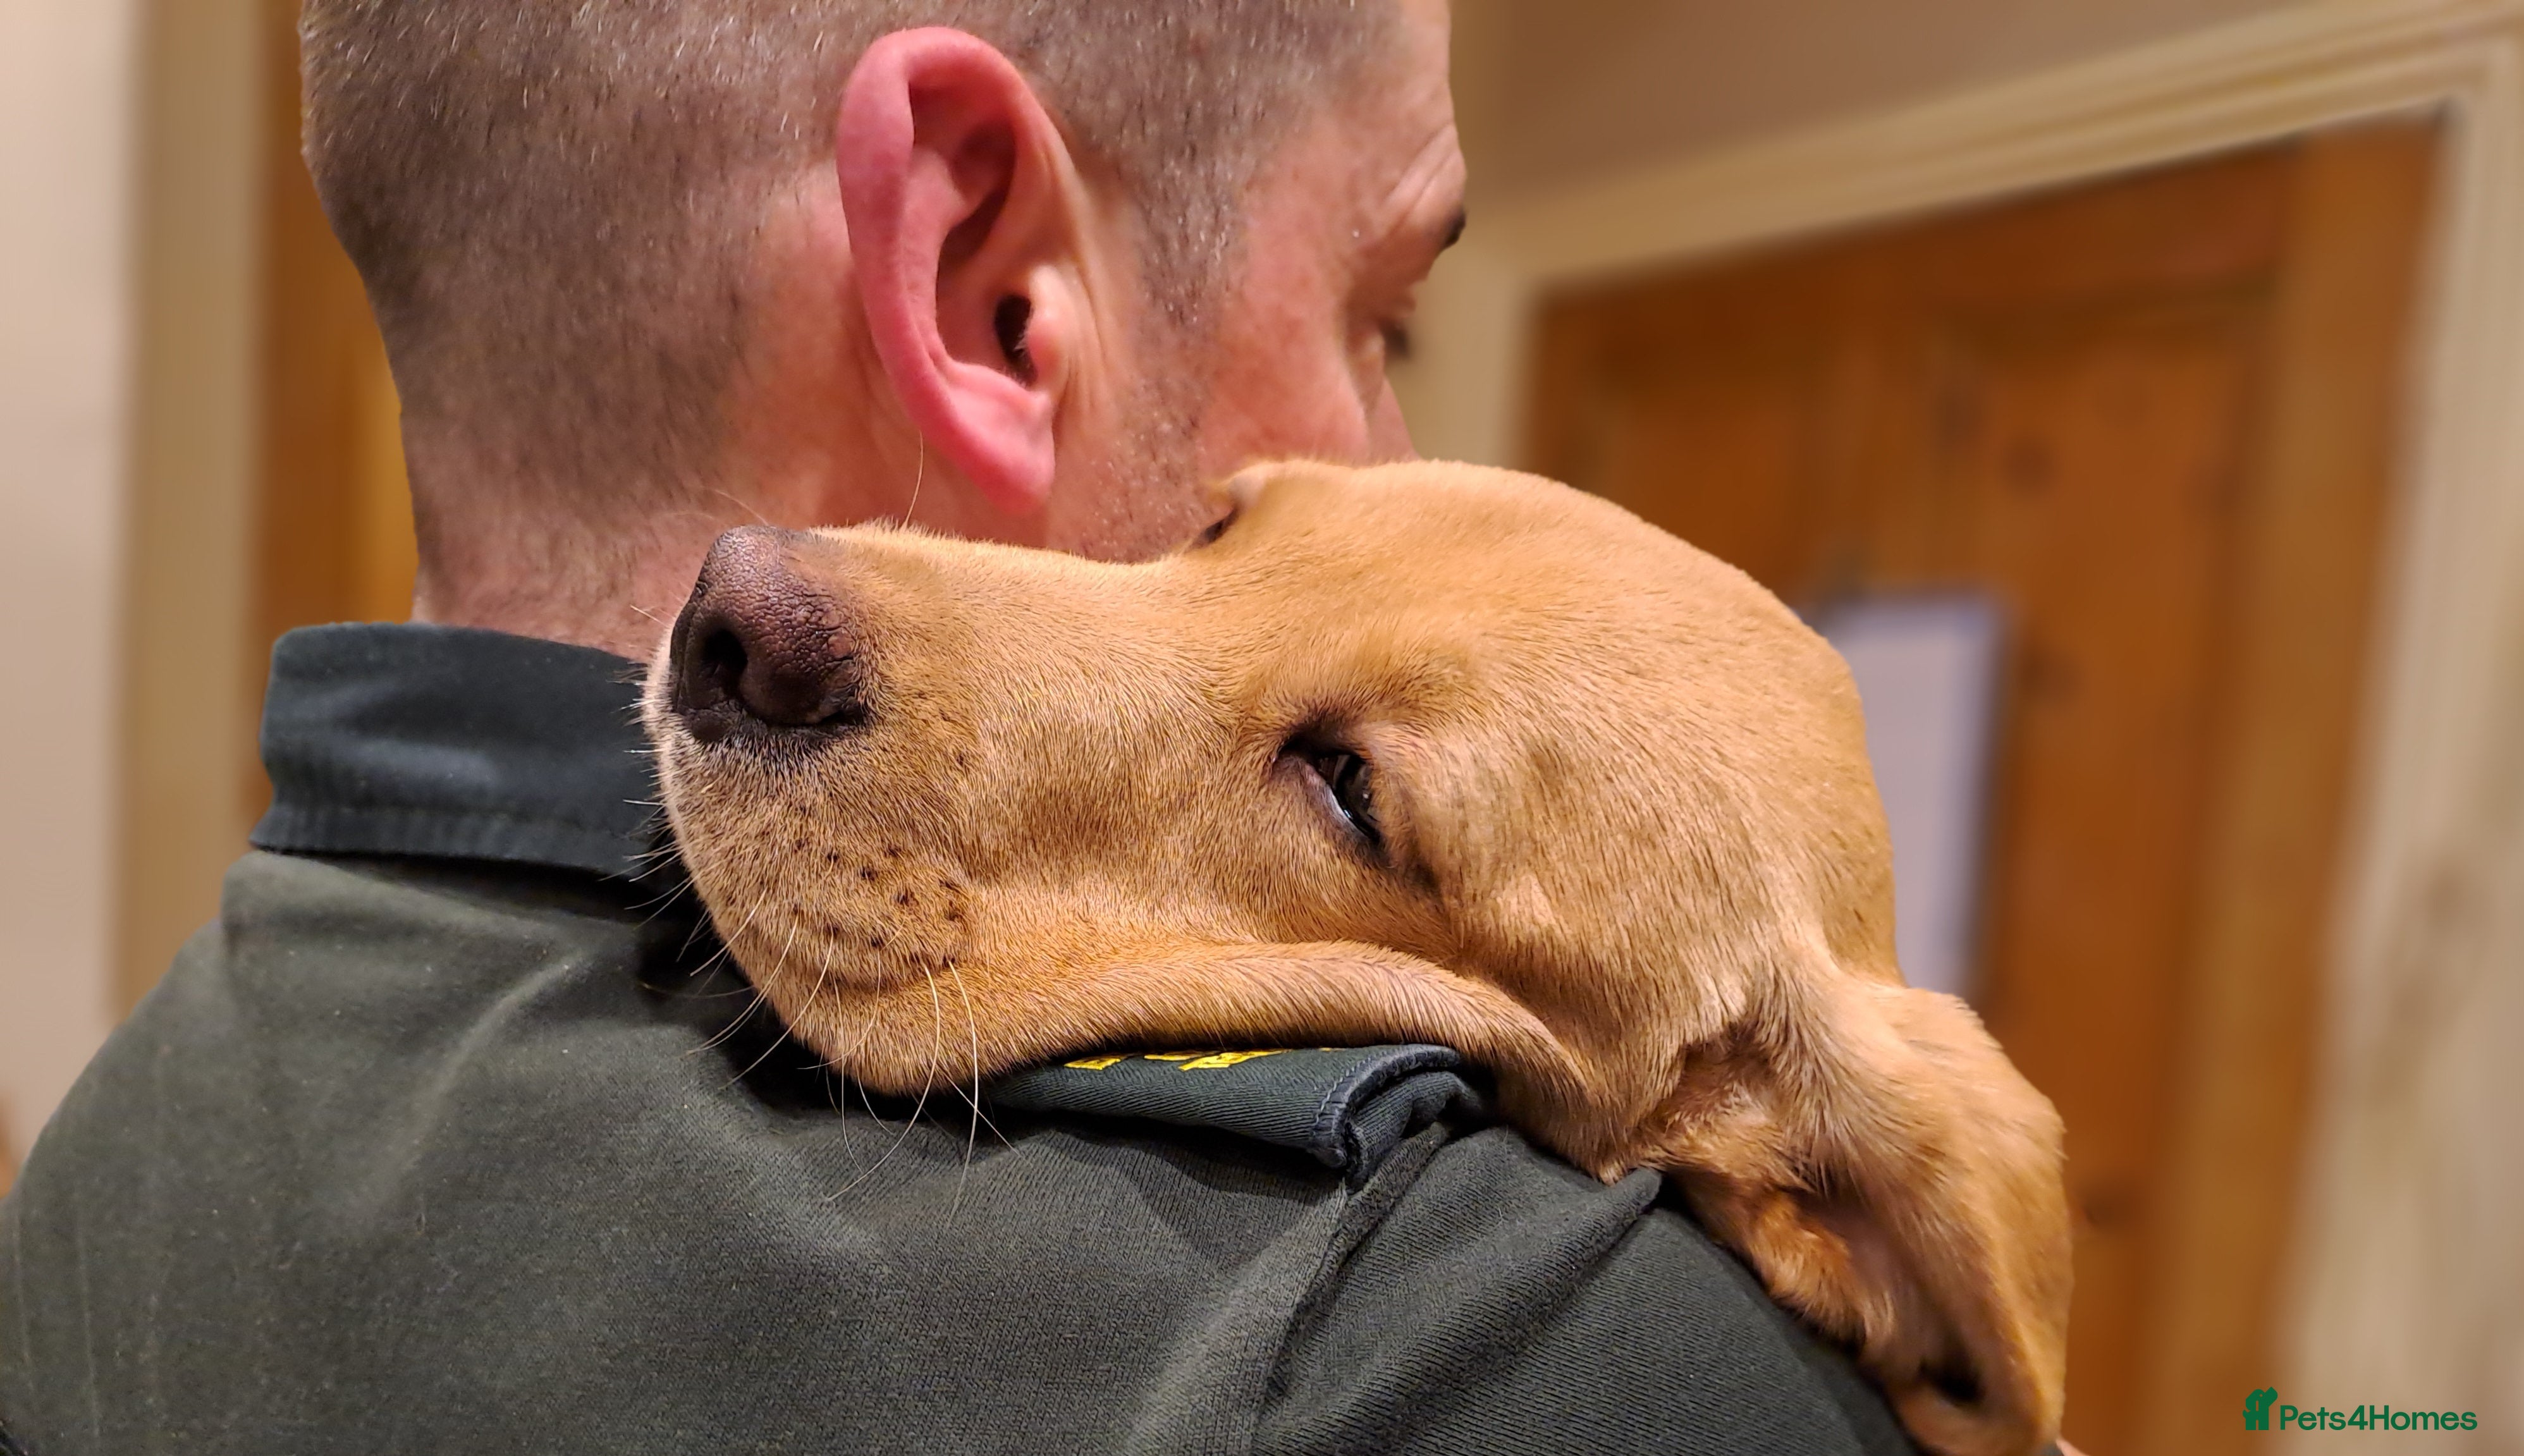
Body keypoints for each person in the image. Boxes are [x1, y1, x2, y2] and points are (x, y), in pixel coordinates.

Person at [0, 3, 1921, 1452]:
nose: (1399, 474)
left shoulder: (100, 1162)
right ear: (988, 291)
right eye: (1384, 319)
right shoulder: (1524, 1363)